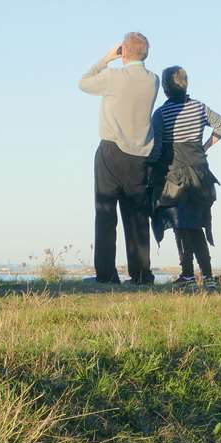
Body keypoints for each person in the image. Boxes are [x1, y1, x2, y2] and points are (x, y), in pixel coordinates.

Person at [79, 33, 157, 285]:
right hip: (140, 154)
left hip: (111, 149)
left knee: (105, 214)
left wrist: (106, 58)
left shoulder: (113, 77)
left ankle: (106, 274)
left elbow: (84, 83)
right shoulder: (153, 80)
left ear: (123, 51)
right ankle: (141, 274)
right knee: (137, 216)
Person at [150, 66, 221, 289]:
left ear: (165, 88)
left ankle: (188, 275)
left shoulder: (161, 114)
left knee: (181, 225)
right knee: (198, 224)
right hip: (201, 174)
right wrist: (204, 147)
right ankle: (209, 277)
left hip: (175, 175)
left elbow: (157, 149)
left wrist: (149, 167)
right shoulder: (199, 107)